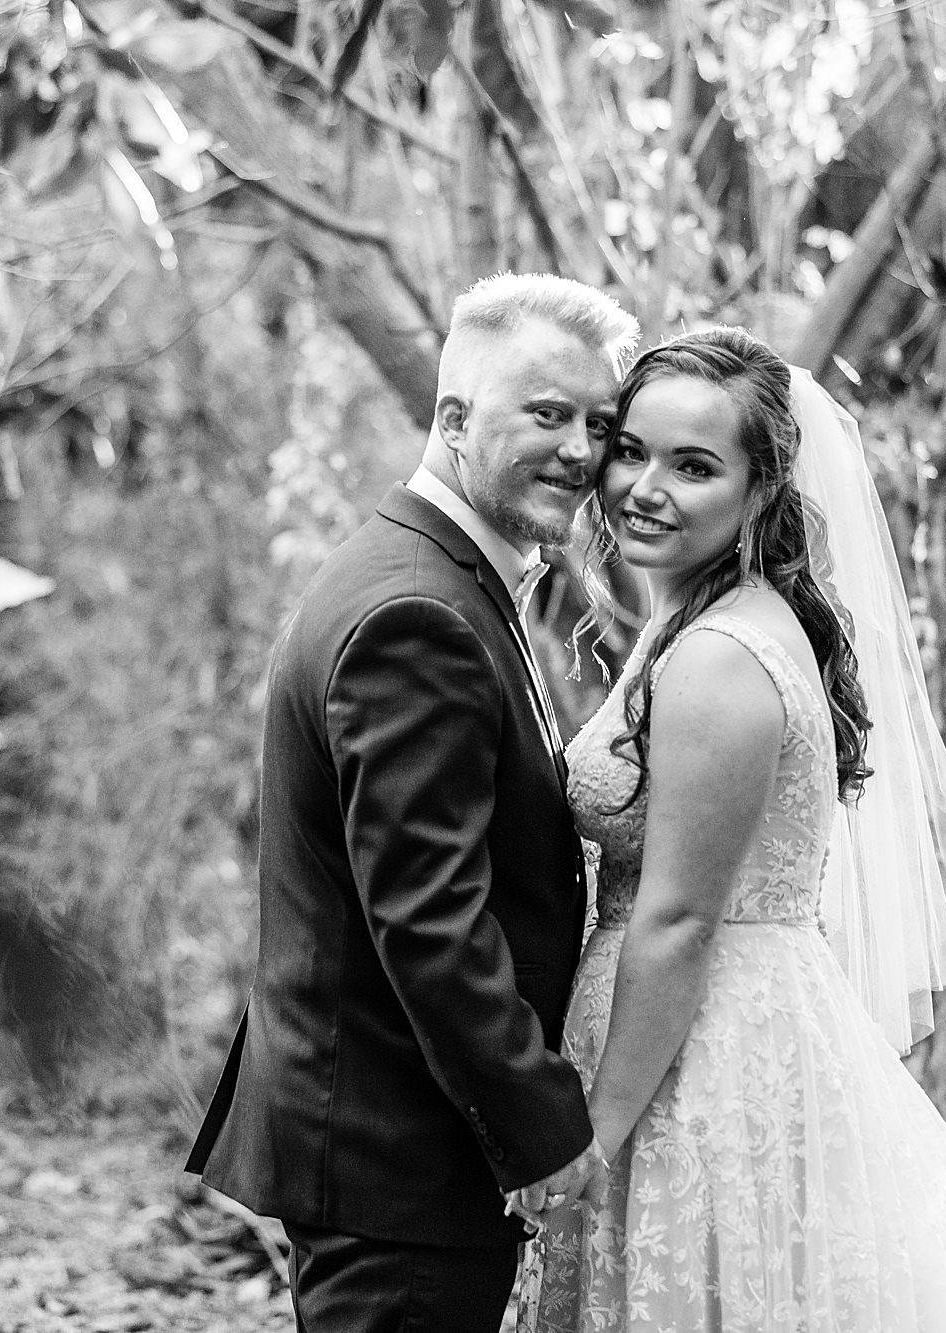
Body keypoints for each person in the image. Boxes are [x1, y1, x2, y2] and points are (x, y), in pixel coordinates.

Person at [516, 327, 946, 1332]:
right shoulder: (707, 616)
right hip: (702, 1024)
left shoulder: (719, 658)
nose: (644, 488)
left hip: (698, 1055)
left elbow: (680, 920)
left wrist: (594, 1135)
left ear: (760, 491)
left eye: (693, 466)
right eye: (631, 451)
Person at [188, 273, 640, 1333]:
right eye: (547, 413)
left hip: (392, 1148)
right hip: (398, 1160)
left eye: (598, 423)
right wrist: (540, 1126)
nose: (580, 450)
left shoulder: (436, 575)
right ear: (453, 416)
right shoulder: (416, 613)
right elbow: (430, 921)